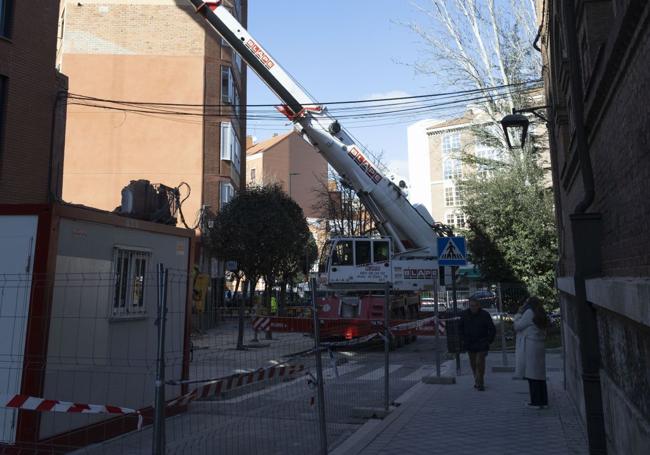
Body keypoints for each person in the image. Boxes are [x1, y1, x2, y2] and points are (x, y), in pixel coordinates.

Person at [514, 296, 549, 408]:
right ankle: (543, 400)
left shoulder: (529, 312)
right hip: (539, 344)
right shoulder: (540, 312)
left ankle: (536, 402)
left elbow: (518, 326)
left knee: (532, 374)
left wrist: (518, 315)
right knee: (540, 375)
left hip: (531, 345)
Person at [459, 297, 497, 391]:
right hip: (470, 343)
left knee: (479, 362)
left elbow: (492, 329)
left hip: (482, 343)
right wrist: (463, 339)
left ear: (478, 306)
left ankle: (480, 383)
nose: (473, 308)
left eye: (475, 306)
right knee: (473, 364)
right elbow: (460, 328)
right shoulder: (464, 314)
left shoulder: (485, 314)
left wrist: (489, 340)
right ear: (469, 305)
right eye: (471, 306)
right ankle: (477, 380)